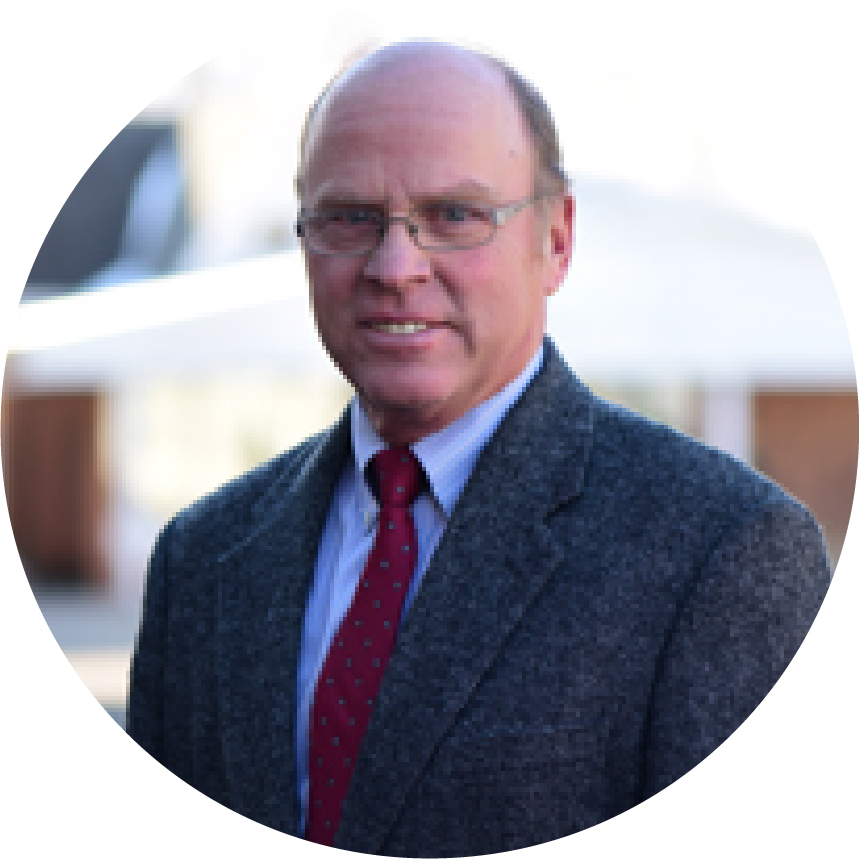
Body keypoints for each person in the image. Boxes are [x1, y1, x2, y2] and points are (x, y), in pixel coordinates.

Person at [127, 41, 831, 857]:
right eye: (350, 216)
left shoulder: (722, 553)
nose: (394, 266)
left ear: (556, 240)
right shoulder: (202, 557)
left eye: (454, 216)